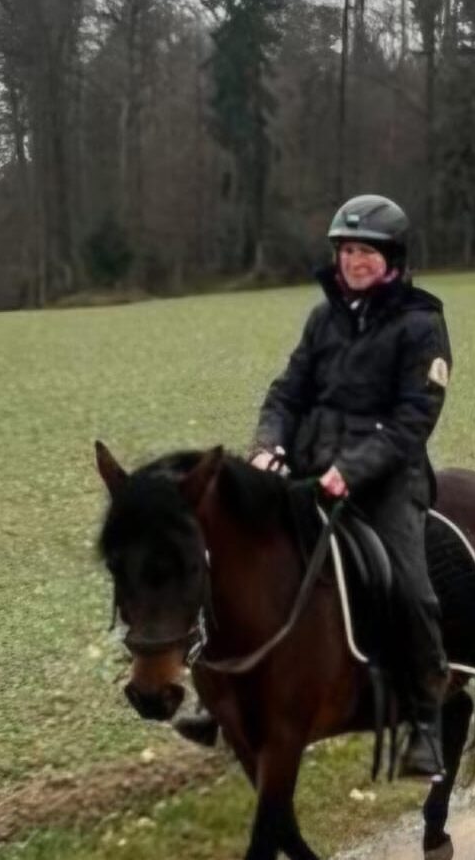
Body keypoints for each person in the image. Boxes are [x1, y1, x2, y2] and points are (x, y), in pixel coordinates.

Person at [181, 195, 454, 780]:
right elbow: (287, 393)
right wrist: (267, 446)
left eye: (366, 251)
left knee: (409, 586)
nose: (354, 261)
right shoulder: (323, 319)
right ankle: (218, 696)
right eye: (347, 250)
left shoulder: (421, 323)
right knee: (237, 557)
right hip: (305, 473)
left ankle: (425, 718)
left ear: (392, 259)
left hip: (384, 483)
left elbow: (414, 419)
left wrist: (350, 471)